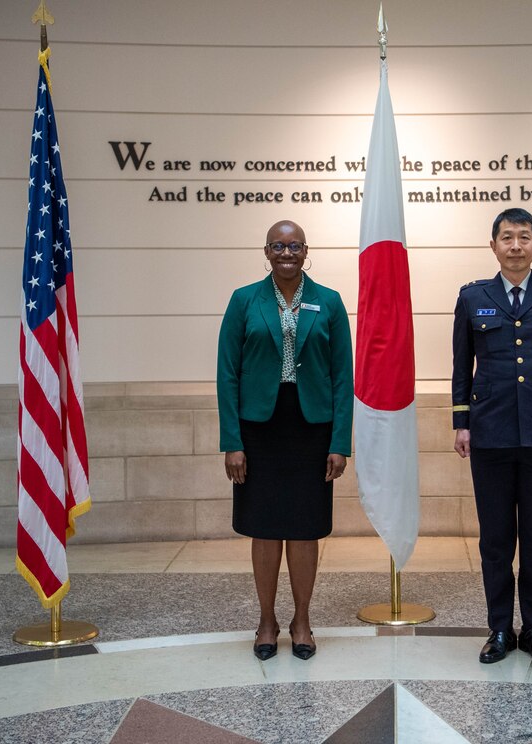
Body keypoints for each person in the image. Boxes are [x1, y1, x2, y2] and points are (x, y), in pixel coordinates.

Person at [451, 207, 532, 665]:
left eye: (523, 237)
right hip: (490, 432)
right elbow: (460, 366)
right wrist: (461, 423)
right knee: (495, 539)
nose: (515, 245)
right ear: (493, 246)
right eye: (506, 237)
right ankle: (499, 629)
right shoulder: (473, 297)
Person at [217, 220, 353, 661]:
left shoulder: (329, 302)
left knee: (304, 529)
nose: (287, 253)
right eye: (279, 245)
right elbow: (228, 375)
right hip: (259, 431)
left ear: (306, 250)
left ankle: (301, 620)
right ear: (267, 251)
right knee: (265, 528)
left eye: (295, 246)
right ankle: (266, 620)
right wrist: (232, 442)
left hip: (311, 430)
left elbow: (341, 378)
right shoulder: (243, 300)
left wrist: (340, 442)